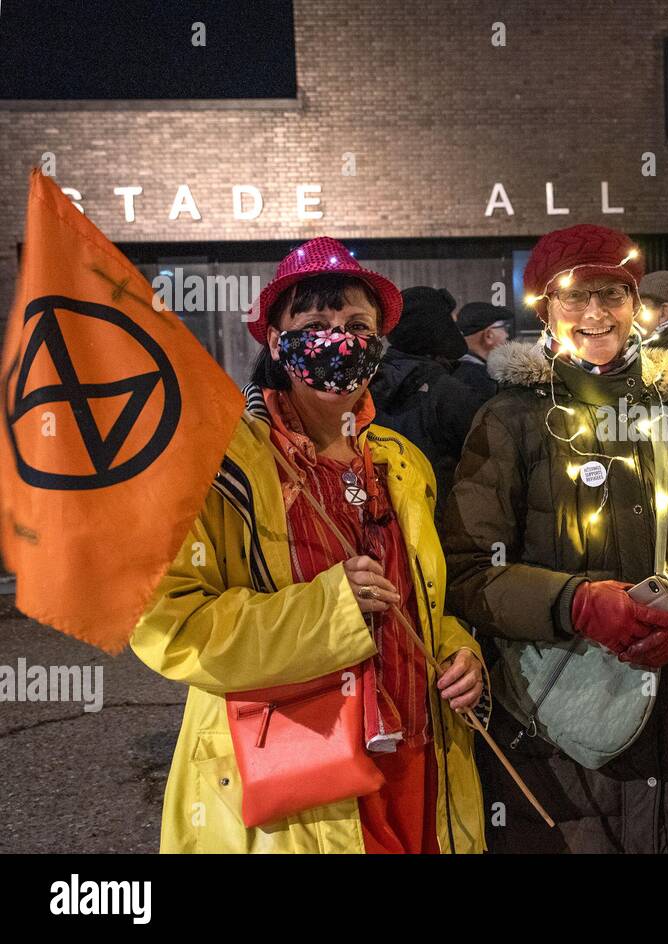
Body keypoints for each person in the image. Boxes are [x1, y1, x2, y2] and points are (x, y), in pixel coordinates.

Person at [131, 237, 488, 854]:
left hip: (418, 768)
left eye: (357, 326)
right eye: (315, 324)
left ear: (379, 344)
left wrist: (459, 653)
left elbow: (426, 600)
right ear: (275, 340)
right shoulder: (216, 465)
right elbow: (168, 626)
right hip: (298, 784)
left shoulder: (401, 463)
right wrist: (330, 609)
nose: (339, 340)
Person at [443, 223, 668, 853]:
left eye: (612, 294)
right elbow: (470, 569)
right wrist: (577, 604)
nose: (595, 313)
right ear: (544, 308)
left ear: (633, 303)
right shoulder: (508, 419)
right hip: (553, 726)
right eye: (574, 296)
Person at [369, 286, 489, 514]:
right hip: (440, 522)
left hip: (387, 521)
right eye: (450, 322)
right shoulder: (450, 391)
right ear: (437, 330)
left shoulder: (371, 383)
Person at [453, 301, 512, 400]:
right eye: (504, 328)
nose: (507, 335)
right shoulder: (478, 380)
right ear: (489, 335)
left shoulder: (456, 369)